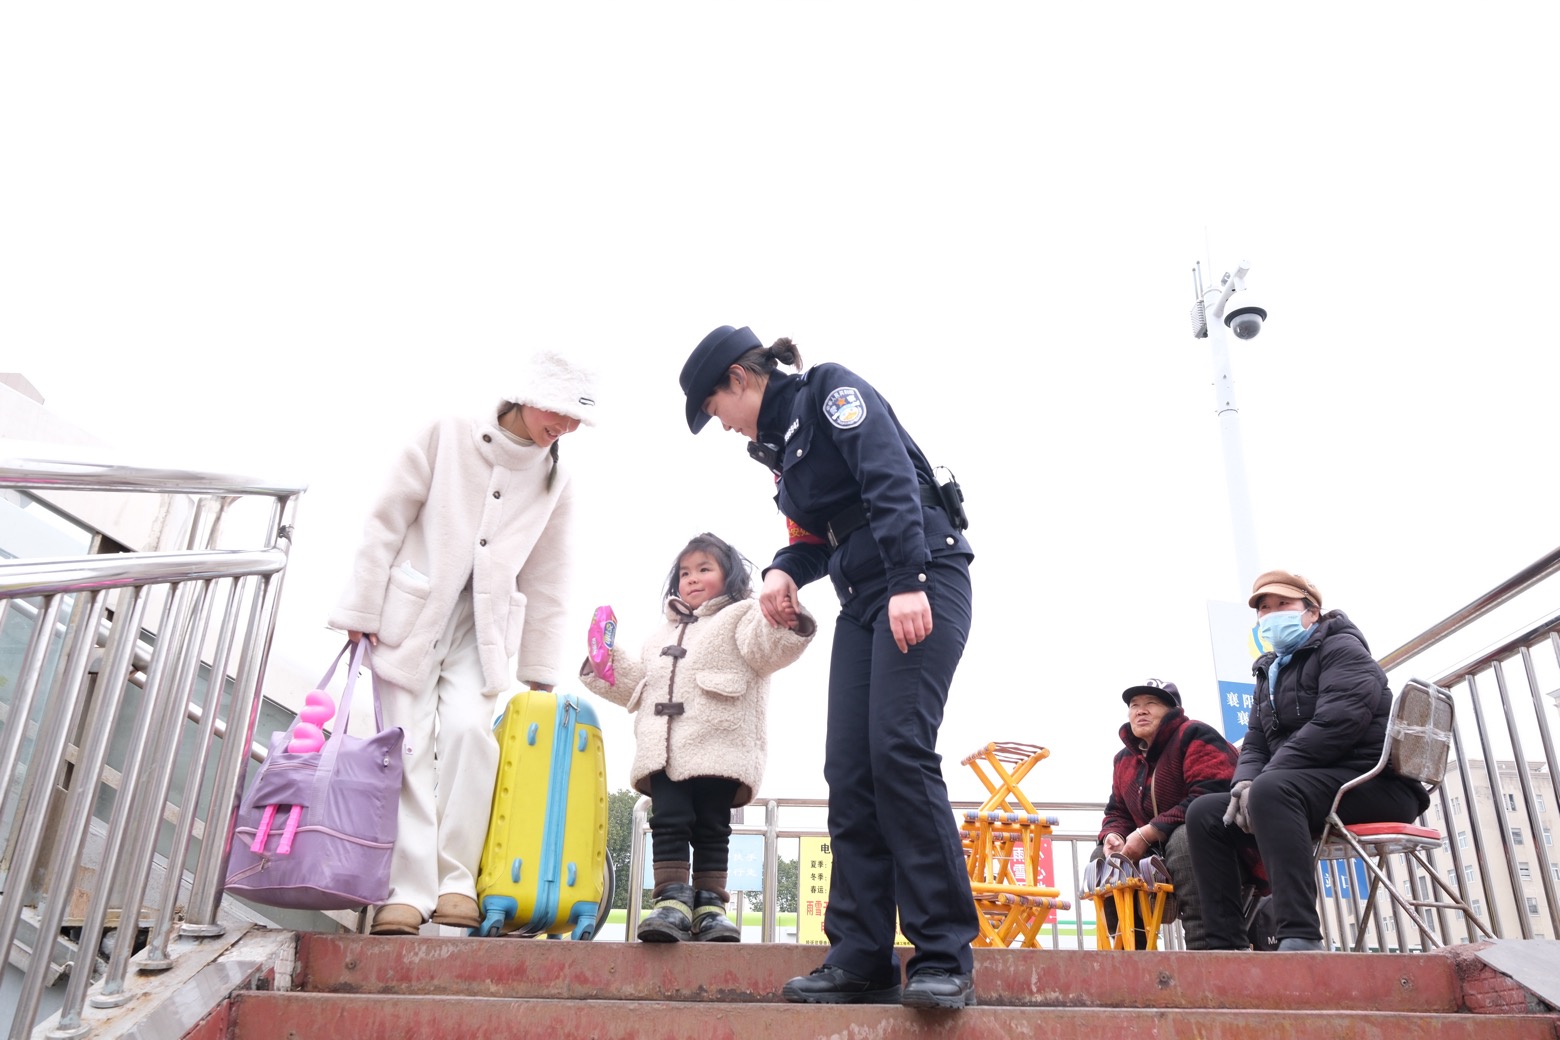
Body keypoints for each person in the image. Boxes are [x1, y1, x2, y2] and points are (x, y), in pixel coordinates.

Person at [680, 325, 979, 1010]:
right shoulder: (777, 450)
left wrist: (908, 577)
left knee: (898, 750)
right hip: (864, 597)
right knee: (849, 770)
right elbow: (819, 536)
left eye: (715, 408)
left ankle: (942, 956)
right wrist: (783, 570)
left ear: (738, 378)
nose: (721, 425)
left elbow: (888, 474)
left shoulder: (829, 392)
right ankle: (861, 956)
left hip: (922, 575)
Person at [328, 349, 597, 936]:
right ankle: (407, 891)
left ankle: (456, 881)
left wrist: (540, 667)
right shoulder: (446, 433)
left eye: (578, 416)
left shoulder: (556, 478)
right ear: (527, 395)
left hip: (486, 629)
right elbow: (387, 518)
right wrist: (362, 604)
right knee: (405, 745)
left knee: (471, 736)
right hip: (410, 616)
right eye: (558, 409)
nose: (566, 425)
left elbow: (550, 574)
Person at [578, 532, 816, 943]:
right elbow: (641, 686)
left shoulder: (743, 615)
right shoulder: (660, 635)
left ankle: (710, 907)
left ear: (730, 576)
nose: (691, 578)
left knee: (712, 825)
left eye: (704, 569)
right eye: (685, 572)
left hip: (720, 744)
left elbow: (766, 649)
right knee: (667, 820)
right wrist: (605, 664)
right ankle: (671, 901)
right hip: (664, 749)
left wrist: (784, 620)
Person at [1185, 569, 1431, 951]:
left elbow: (1338, 722)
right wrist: (1243, 783)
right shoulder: (1269, 672)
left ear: (1311, 611)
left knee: (1271, 790)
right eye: (1264, 609)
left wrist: (1265, 779)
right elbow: (1254, 742)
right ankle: (1224, 945)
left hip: (1372, 782)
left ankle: (1299, 936)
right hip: (1304, 787)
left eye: (1282, 604)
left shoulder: (1342, 648)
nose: (1271, 615)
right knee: (1205, 813)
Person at [1094, 679, 1239, 950]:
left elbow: (1211, 796)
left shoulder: (1195, 735)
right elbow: (1117, 811)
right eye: (1134, 705)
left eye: (1151, 703)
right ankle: (1130, 954)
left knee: (1185, 836)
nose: (1141, 710)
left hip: (1220, 846)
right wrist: (1113, 835)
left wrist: (1148, 833)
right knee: (1103, 858)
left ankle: (1204, 947)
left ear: (1173, 711)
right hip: (1156, 852)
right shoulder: (1123, 759)